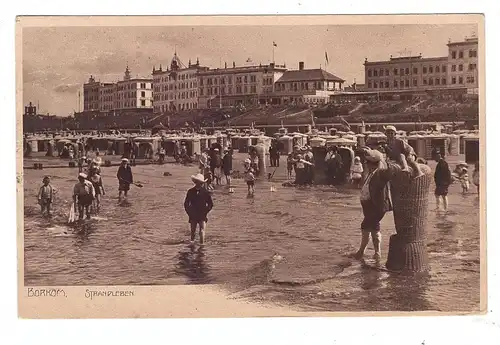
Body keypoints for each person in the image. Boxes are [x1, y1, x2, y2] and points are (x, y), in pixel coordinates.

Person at [352, 149, 393, 261]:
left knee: (367, 226)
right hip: (371, 206)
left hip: (375, 207)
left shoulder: (380, 173)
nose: (366, 165)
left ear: (373, 164)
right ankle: (375, 253)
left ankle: (363, 252)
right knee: (372, 228)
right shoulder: (373, 173)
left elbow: (390, 173)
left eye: (368, 162)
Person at [184, 173, 214, 245]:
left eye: (200, 182)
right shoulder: (190, 191)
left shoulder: (205, 192)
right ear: (195, 182)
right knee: (193, 232)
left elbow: (210, 204)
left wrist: (206, 211)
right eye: (198, 182)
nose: (199, 184)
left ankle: (202, 245)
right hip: (193, 214)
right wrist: (189, 212)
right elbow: (186, 203)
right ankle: (192, 246)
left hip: (202, 214)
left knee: (202, 230)